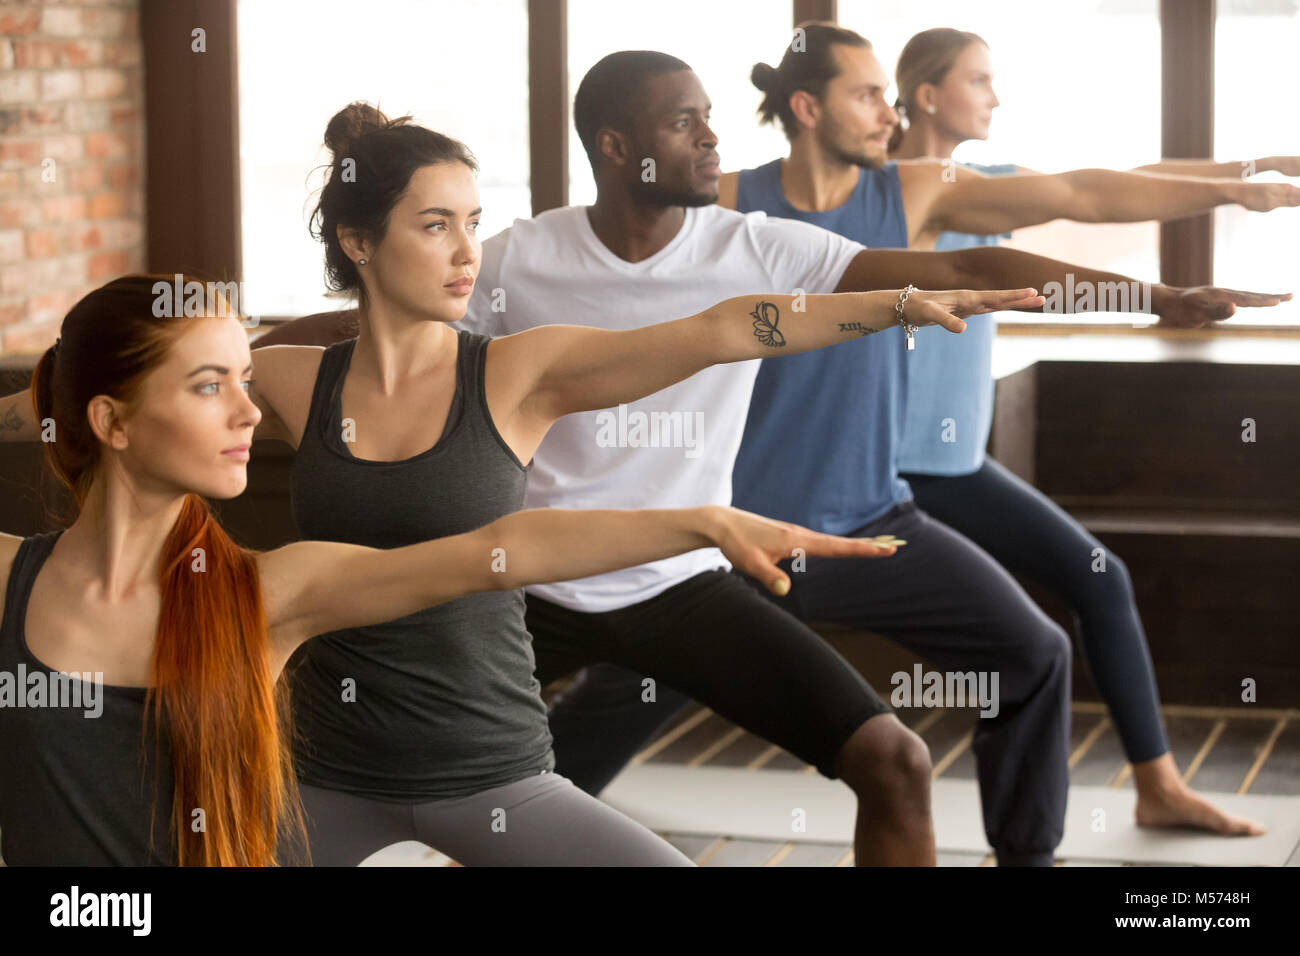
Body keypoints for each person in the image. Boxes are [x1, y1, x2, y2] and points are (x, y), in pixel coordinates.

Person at [2, 104, 1035, 866]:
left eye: (472, 221)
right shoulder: (281, 376)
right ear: (359, 244)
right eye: (435, 225)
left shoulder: (514, 369)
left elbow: (724, 327)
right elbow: (115, 381)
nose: (467, 253)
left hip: (486, 752)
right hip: (328, 765)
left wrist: (898, 302)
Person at [494, 48, 1292, 866]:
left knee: (971, 698)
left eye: (708, 117)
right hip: (635, 558)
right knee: (527, 774)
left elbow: (1021, 230)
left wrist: (1155, 290)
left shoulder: (791, 231)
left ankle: (1033, 855)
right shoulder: (585, 241)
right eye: (682, 121)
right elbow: (406, 340)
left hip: (782, 545)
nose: (707, 138)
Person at [0, 274, 900, 867]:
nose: (248, 409)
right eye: (209, 386)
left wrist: (700, 522)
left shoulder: (271, 592)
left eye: (245, 376)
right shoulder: (9, 582)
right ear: (113, 423)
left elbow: (492, 554)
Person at [881, 25, 1279, 834]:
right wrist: (1237, 188)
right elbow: (1086, 195)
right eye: (980, 79)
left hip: (954, 464)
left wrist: (1248, 173)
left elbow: (1108, 185)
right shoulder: (899, 192)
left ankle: (1157, 785)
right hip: (896, 470)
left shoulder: (985, 183)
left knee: (1097, 582)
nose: (997, 95)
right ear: (927, 93)